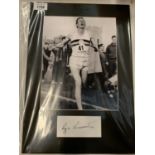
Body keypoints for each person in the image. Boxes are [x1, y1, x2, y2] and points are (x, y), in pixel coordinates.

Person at [58, 17, 97, 110]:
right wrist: (56, 45)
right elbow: (62, 43)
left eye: (83, 21)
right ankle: (80, 108)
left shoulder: (89, 34)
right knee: (78, 82)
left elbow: (94, 44)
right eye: (80, 21)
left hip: (85, 61)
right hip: (75, 61)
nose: (82, 22)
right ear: (77, 24)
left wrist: (96, 47)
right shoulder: (72, 34)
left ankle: (78, 84)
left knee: (83, 82)